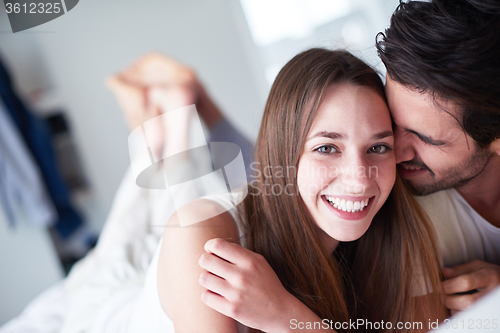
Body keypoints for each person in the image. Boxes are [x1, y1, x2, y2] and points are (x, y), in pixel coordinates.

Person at [153, 48, 446, 333]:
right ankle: (171, 114)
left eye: (378, 147)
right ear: (282, 153)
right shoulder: (199, 236)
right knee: (167, 175)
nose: (360, 181)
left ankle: (197, 104)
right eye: (327, 148)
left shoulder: (398, 229)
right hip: (120, 288)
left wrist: (285, 317)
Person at [375, 0, 500, 314]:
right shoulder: (383, 204)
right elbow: (236, 209)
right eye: (392, 122)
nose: (396, 152)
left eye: (425, 139)